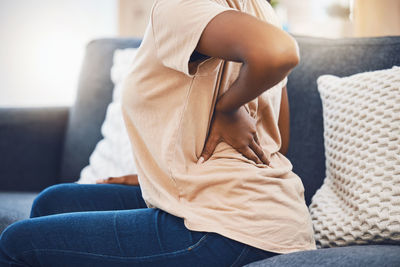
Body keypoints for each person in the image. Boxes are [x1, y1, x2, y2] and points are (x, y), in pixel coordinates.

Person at [0, 0, 317, 266]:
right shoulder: (261, 12)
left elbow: (279, 52)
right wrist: (159, 176)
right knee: (54, 202)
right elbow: (277, 141)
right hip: (277, 219)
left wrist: (228, 108)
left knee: (16, 244)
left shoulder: (181, 9)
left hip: (228, 228)